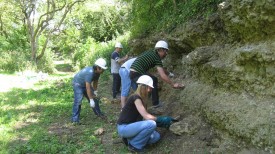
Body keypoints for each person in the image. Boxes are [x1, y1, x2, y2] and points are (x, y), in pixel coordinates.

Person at [117, 75, 176, 153]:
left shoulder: (141, 99)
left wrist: (158, 121)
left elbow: (144, 118)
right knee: (151, 124)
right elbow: (146, 116)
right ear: (142, 87)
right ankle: (134, 146)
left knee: (156, 137)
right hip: (124, 128)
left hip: (131, 127)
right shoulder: (135, 98)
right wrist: (161, 120)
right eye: (149, 88)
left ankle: (129, 140)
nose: (149, 90)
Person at [130, 40, 184, 108]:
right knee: (150, 83)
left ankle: (149, 103)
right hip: (137, 73)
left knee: (153, 79)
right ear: (160, 49)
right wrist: (173, 84)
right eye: (165, 51)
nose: (166, 53)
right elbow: (162, 75)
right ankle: (155, 104)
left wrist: (170, 74)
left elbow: (161, 69)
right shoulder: (157, 58)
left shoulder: (151, 52)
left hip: (134, 73)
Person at [71, 58, 107, 124]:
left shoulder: (98, 73)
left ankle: (98, 113)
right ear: (98, 68)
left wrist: (95, 92)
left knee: (95, 99)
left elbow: (95, 82)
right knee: (78, 101)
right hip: (78, 84)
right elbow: (88, 88)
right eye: (102, 69)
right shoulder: (90, 73)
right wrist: (91, 99)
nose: (103, 71)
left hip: (85, 84)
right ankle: (75, 119)